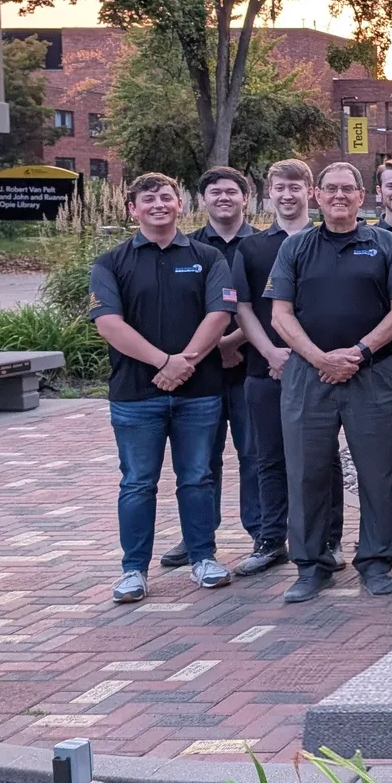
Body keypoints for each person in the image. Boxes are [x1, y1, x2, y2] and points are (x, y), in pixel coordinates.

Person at [264, 161, 392, 603]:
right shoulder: (294, 248)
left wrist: (360, 352)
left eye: (347, 189)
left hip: (373, 373)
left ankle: (375, 561)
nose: (339, 196)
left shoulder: (385, 244)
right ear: (317, 195)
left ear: (361, 194)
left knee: (377, 471)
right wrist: (319, 359)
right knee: (307, 471)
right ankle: (313, 564)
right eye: (330, 189)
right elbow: (280, 314)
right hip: (308, 377)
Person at [91, 172, 238, 604]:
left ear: (181, 205)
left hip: (199, 393)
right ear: (132, 209)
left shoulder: (208, 257)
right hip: (136, 395)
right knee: (138, 482)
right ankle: (133, 570)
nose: (158, 204)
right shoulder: (111, 262)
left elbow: (220, 315)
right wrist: (164, 363)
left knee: (197, 478)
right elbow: (108, 324)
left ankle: (203, 559)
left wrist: (185, 362)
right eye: (148, 199)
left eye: (166, 197)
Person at [231, 159, 335, 578]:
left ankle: (329, 538)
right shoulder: (252, 247)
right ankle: (271, 539)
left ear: (310, 192)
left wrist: (309, 356)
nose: (287, 195)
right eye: (279, 188)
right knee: (268, 458)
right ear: (268, 193)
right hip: (266, 369)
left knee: (322, 458)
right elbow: (242, 306)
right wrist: (272, 354)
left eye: (295, 187)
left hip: (319, 370)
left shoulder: (328, 241)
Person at [161, 166, 256, 571]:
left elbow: (275, 308)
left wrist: (233, 343)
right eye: (215, 192)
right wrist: (209, 351)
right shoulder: (187, 248)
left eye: (231, 191)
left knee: (255, 455)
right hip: (201, 372)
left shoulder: (264, 245)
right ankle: (199, 535)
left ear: (245, 198)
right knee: (200, 461)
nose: (223, 198)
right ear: (202, 200)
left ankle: (263, 534)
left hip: (254, 366)